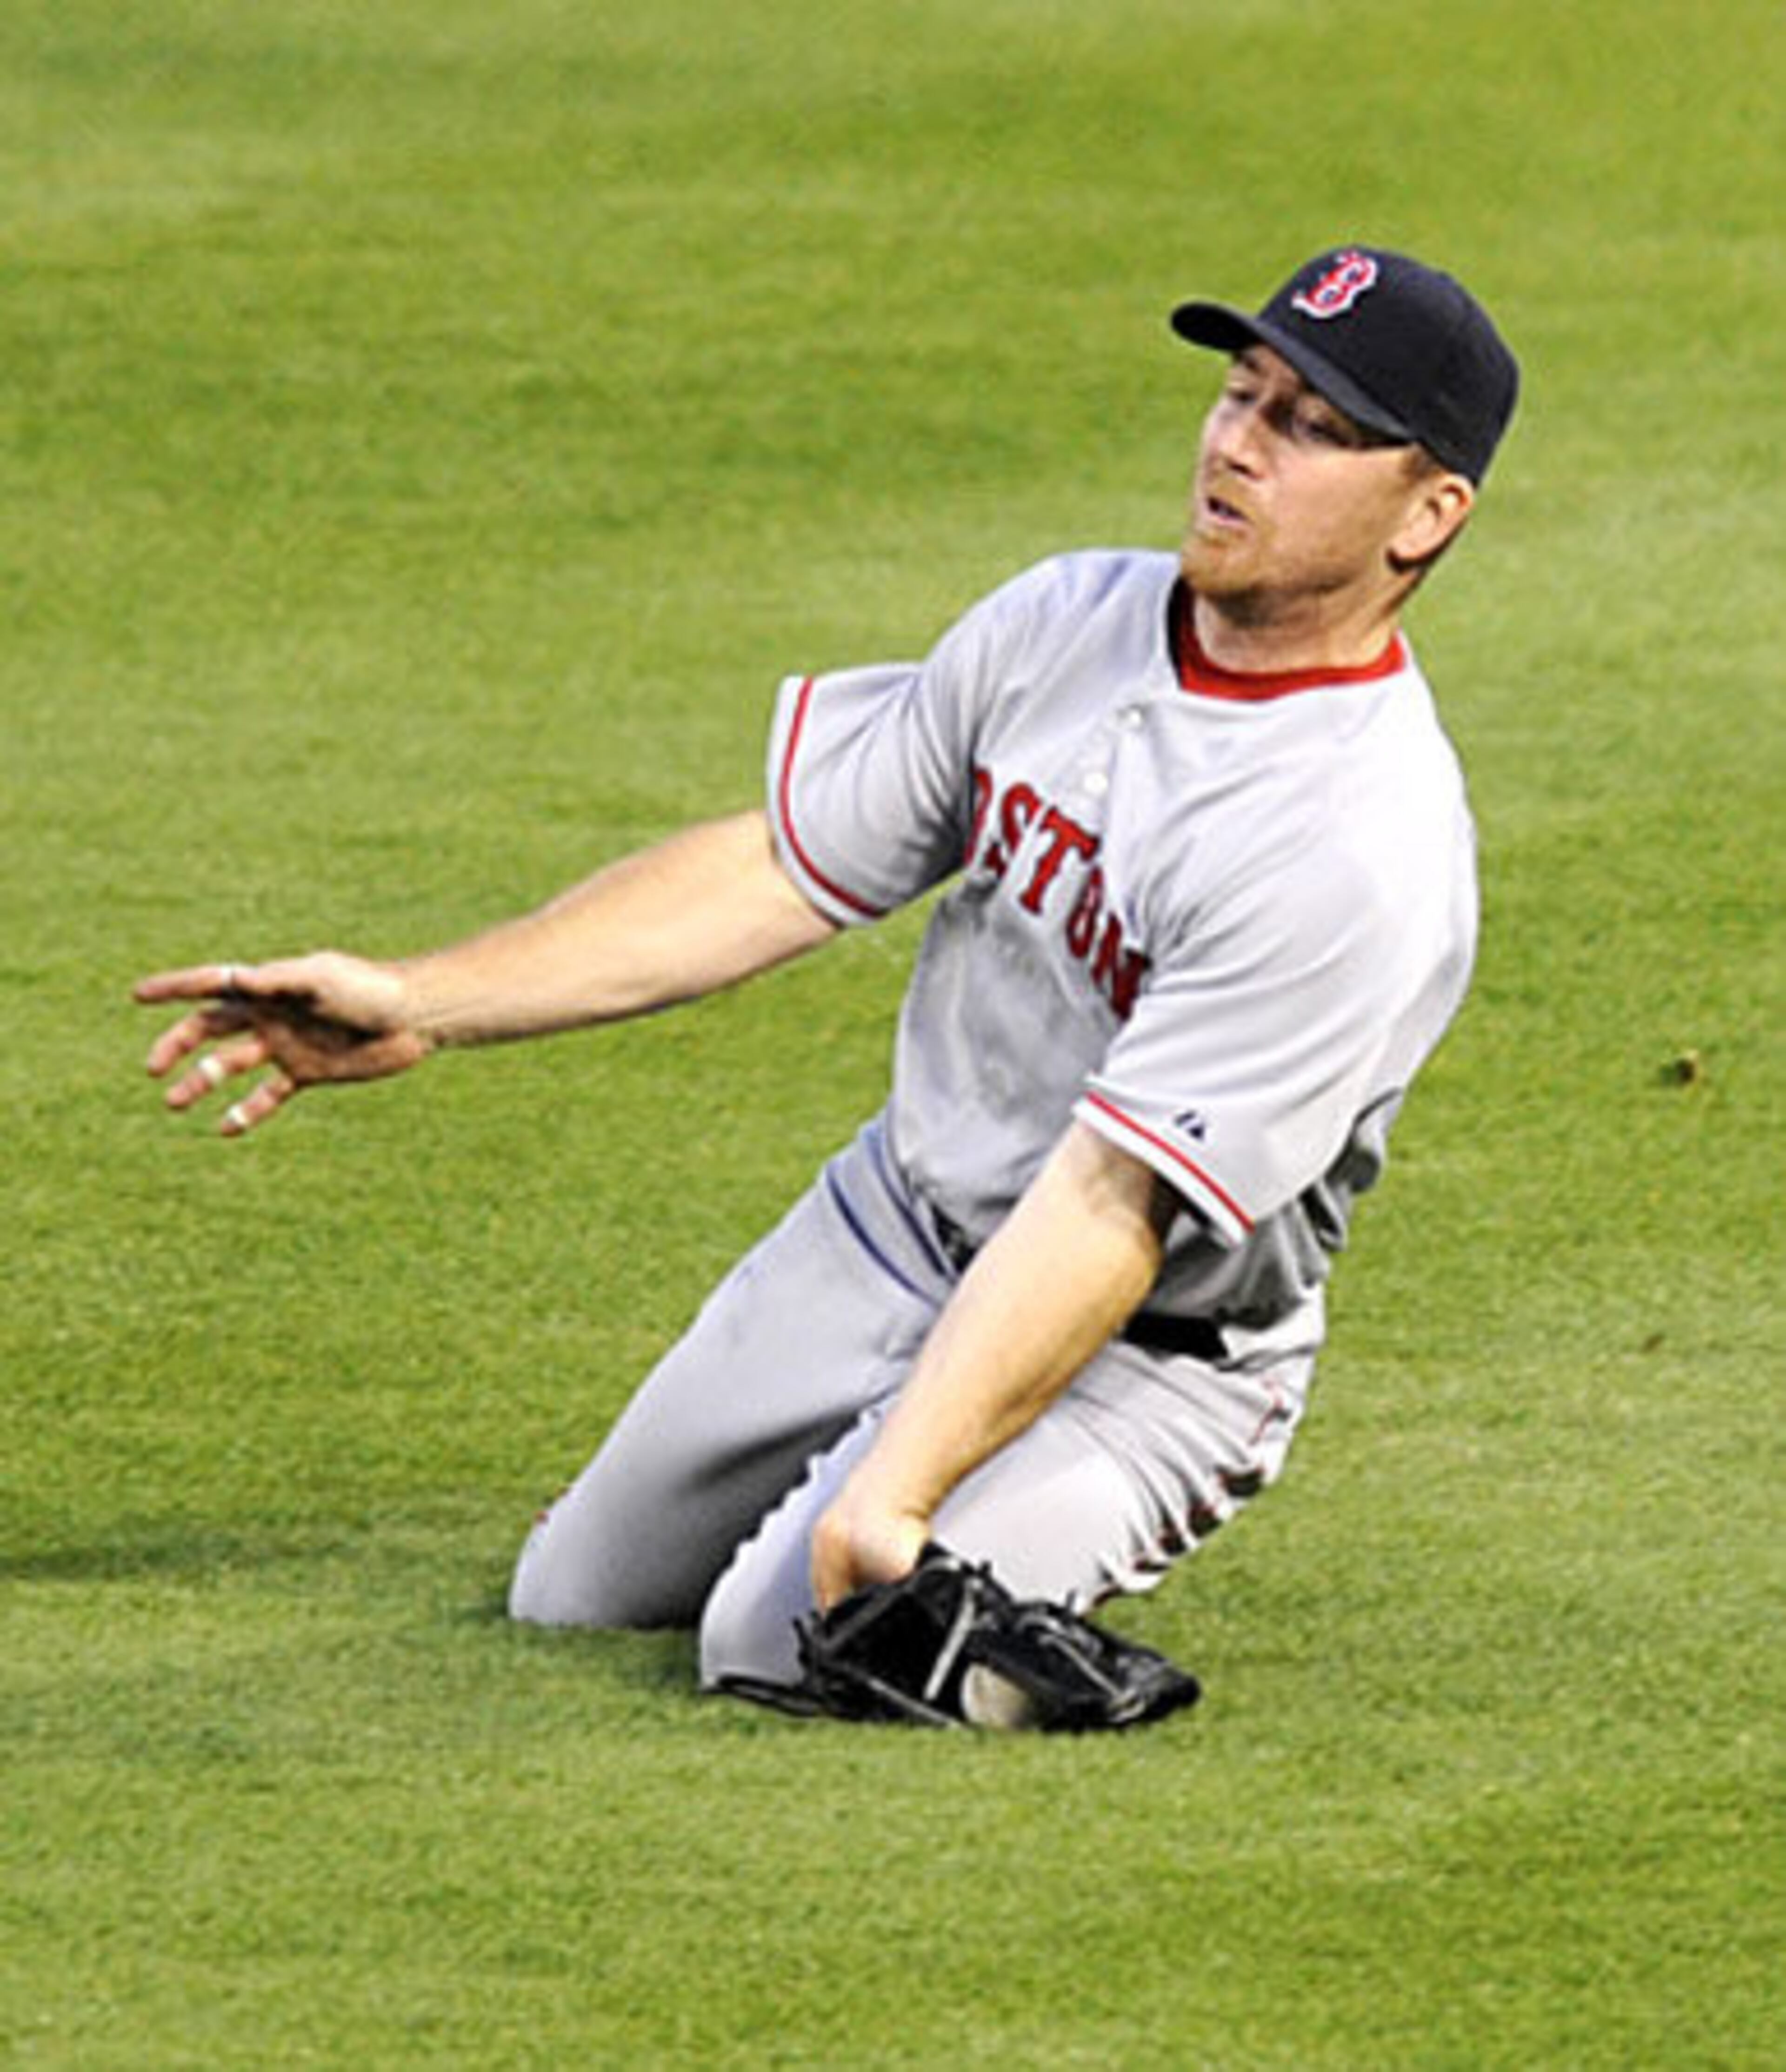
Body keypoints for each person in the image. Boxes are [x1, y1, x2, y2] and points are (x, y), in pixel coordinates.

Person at [137, 245, 1519, 1711]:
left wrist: (900, 1490)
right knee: (572, 1599)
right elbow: (782, 871)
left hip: (1146, 1350)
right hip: (894, 1228)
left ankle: (1044, 1629)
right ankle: (896, 1537)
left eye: (1312, 427)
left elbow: (1114, 1199)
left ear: (1428, 514)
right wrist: (425, 1000)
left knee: (780, 1641)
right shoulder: (1063, 619)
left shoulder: (1353, 843)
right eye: (1242, 392)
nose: (1238, 443)